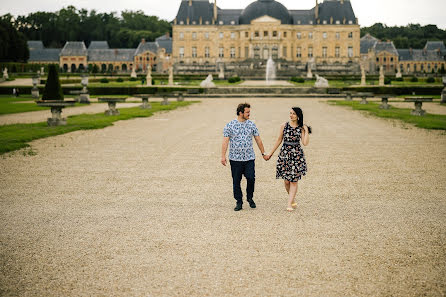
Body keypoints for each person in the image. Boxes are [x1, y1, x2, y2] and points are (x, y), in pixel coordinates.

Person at [221, 103, 268, 211]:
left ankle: (250, 198)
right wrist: (223, 156)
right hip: (235, 159)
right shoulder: (230, 125)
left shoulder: (251, 125)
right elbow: (225, 142)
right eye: (247, 112)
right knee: (236, 181)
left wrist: (263, 153)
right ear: (240, 112)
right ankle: (239, 201)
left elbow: (258, 139)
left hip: (249, 158)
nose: (249, 114)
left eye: (249, 112)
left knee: (251, 178)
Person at [265, 107, 311, 211]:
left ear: (298, 115)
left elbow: (305, 143)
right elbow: (279, 140)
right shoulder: (284, 126)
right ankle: (292, 199)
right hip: (285, 155)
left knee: (294, 181)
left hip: (297, 156)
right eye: (290, 113)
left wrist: (306, 131)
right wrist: (270, 153)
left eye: (293, 113)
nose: (291, 115)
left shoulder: (301, 128)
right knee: (286, 181)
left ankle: (289, 204)